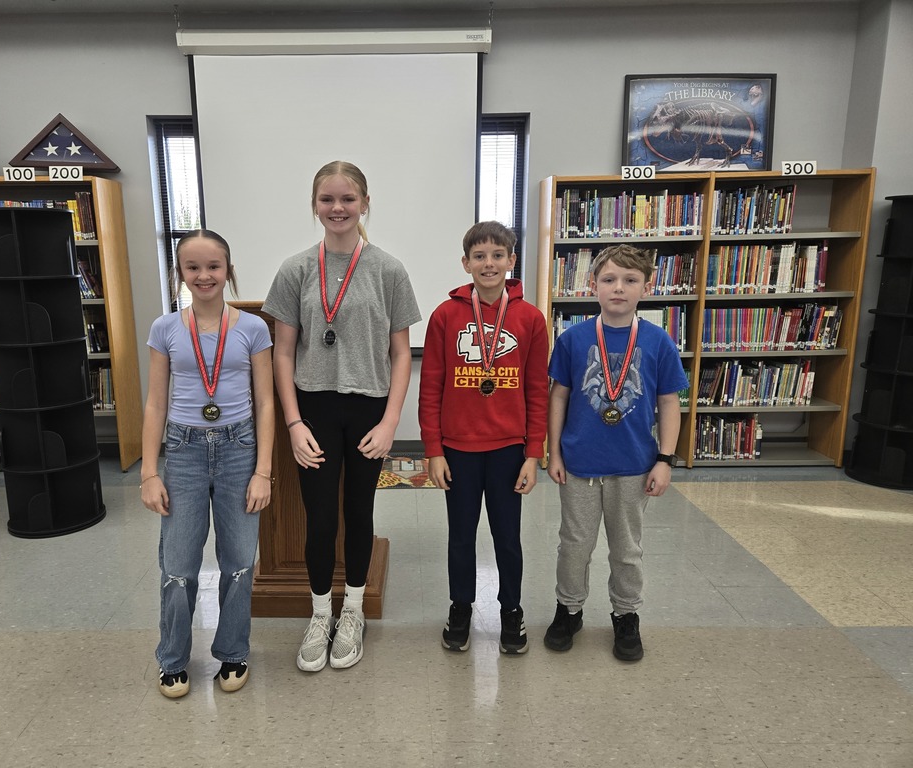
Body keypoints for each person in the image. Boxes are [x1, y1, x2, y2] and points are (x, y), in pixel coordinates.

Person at [263, 161, 421, 672]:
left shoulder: (388, 269)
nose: (337, 209)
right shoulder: (295, 269)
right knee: (319, 518)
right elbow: (282, 354)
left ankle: (352, 610)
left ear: (365, 204)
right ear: (315, 204)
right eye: (327, 199)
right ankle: (318, 612)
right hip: (313, 409)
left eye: (348, 200)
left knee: (359, 512)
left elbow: (401, 354)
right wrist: (293, 423)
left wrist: (391, 421)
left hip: (369, 408)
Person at [141, 229, 275, 698]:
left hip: (239, 447)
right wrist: (149, 472)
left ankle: (233, 652)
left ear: (228, 270)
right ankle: (173, 659)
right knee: (178, 565)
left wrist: (263, 470)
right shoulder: (165, 329)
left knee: (239, 561)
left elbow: (266, 403)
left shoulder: (254, 329)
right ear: (181, 273)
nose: (204, 275)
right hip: (183, 451)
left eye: (213, 267)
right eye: (193, 267)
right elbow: (156, 404)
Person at [545, 244, 688, 661]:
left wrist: (665, 459)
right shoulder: (573, 339)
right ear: (593, 286)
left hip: (633, 465)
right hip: (579, 464)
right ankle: (568, 608)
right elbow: (558, 397)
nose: (619, 289)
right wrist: (553, 454)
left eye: (630, 280)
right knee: (574, 543)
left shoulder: (659, 342)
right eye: (609, 280)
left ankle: (626, 615)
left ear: (647, 286)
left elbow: (669, 403)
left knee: (627, 548)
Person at [419, 221, 549, 654]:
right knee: (460, 536)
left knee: (507, 537)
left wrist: (534, 454)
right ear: (466, 263)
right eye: (479, 256)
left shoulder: (530, 318)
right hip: (458, 449)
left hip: (509, 450)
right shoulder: (445, 315)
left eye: (497, 255)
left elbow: (536, 390)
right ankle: (461, 606)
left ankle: (511, 609)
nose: (488, 263)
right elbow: (431, 386)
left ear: (511, 262)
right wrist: (434, 450)